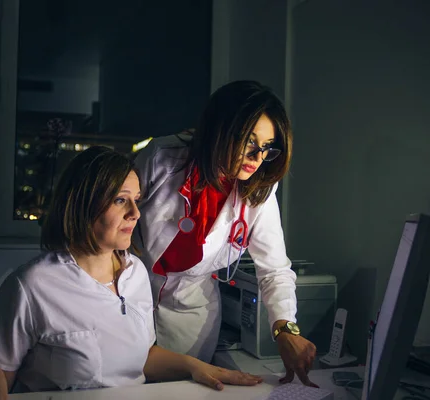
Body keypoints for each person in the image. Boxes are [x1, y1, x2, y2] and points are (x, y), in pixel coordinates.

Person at [0, 146, 263, 399]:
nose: (135, 212)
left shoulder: (136, 274)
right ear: (82, 205)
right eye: (121, 200)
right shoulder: (34, 284)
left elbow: (142, 356)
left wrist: (195, 366)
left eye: (137, 200)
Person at [132, 80, 318, 387]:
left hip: (189, 315)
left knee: (179, 392)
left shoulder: (259, 188)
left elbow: (274, 270)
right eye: (249, 141)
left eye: (268, 147)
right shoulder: (162, 158)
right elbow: (112, 222)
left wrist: (285, 328)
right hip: (127, 298)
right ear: (219, 129)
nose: (258, 157)